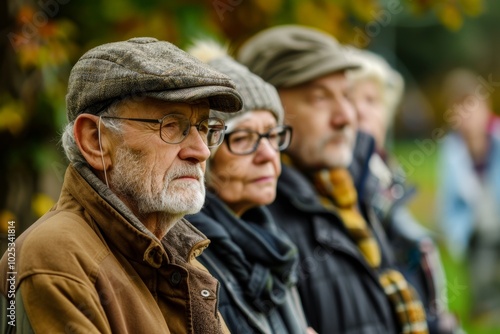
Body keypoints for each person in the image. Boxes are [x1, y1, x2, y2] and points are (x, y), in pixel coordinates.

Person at [0, 37, 244, 333]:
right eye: (171, 125)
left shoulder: (179, 260)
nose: (201, 151)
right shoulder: (57, 256)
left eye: (205, 128)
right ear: (95, 141)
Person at [237, 25, 428, 334]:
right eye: (320, 98)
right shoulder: (256, 216)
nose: (346, 117)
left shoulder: (349, 191)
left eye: (346, 95)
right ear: (269, 110)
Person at [185, 40, 312, 334]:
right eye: (243, 139)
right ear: (204, 155)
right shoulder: (188, 259)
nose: (268, 154)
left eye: (272, 135)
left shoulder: (274, 244)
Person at [346, 47, 460, 334]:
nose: (360, 111)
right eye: (349, 99)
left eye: (372, 100)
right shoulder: (346, 187)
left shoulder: (386, 180)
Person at [437, 67, 500, 326]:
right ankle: (486, 309)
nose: (467, 117)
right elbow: (448, 199)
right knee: (481, 270)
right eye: (460, 111)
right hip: (474, 226)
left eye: (471, 107)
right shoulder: (452, 150)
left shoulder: (496, 137)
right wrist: (452, 232)